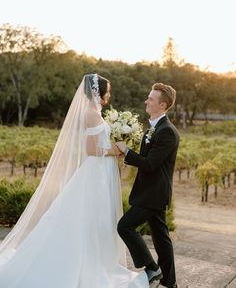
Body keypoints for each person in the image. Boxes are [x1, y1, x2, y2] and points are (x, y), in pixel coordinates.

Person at [0, 74, 149, 288]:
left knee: (96, 218)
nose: (109, 95)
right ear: (98, 92)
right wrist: (114, 151)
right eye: (108, 91)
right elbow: (90, 149)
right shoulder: (91, 113)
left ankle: (95, 261)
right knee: (91, 217)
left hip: (102, 171)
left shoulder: (96, 112)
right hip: (96, 172)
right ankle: (82, 264)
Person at [116, 82, 179, 288]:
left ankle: (152, 268)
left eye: (151, 99)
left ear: (162, 105)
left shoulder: (167, 131)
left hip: (153, 193)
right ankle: (170, 283)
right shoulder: (153, 127)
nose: (147, 101)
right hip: (151, 192)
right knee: (161, 239)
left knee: (125, 226)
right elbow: (146, 157)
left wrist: (127, 152)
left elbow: (151, 164)